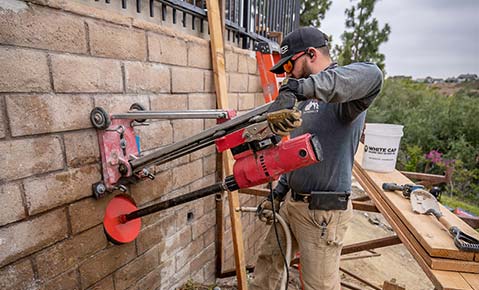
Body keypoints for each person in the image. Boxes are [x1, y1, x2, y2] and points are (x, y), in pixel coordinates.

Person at [251, 27, 383, 290]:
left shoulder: (346, 96)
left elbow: (374, 75)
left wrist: (299, 87)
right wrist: (279, 192)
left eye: (289, 64)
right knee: (267, 268)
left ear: (311, 53)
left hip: (323, 212)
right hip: (293, 204)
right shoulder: (303, 99)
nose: (287, 74)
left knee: (317, 285)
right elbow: (297, 153)